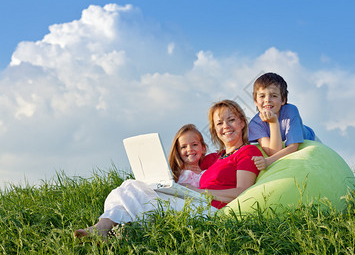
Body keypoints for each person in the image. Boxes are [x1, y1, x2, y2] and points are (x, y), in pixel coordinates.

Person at [75, 100, 262, 238]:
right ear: (214, 128)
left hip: (211, 210)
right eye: (220, 123)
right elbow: (188, 160)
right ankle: (108, 229)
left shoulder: (247, 152)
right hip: (193, 201)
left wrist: (200, 191)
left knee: (132, 188)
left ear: (242, 122)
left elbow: (243, 192)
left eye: (231, 120)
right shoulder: (214, 158)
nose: (226, 127)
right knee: (128, 187)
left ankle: (103, 228)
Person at [249, 72, 318, 170]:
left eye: (274, 95)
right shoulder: (255, 124)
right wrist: (274, 123)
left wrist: (268, 161)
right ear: (256, 101)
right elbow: (274, 151)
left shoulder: (291, 111)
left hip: (309, 141)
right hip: (283, 148)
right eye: (262, 96)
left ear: (283, 100)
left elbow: (293, 147)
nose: (267, 100)